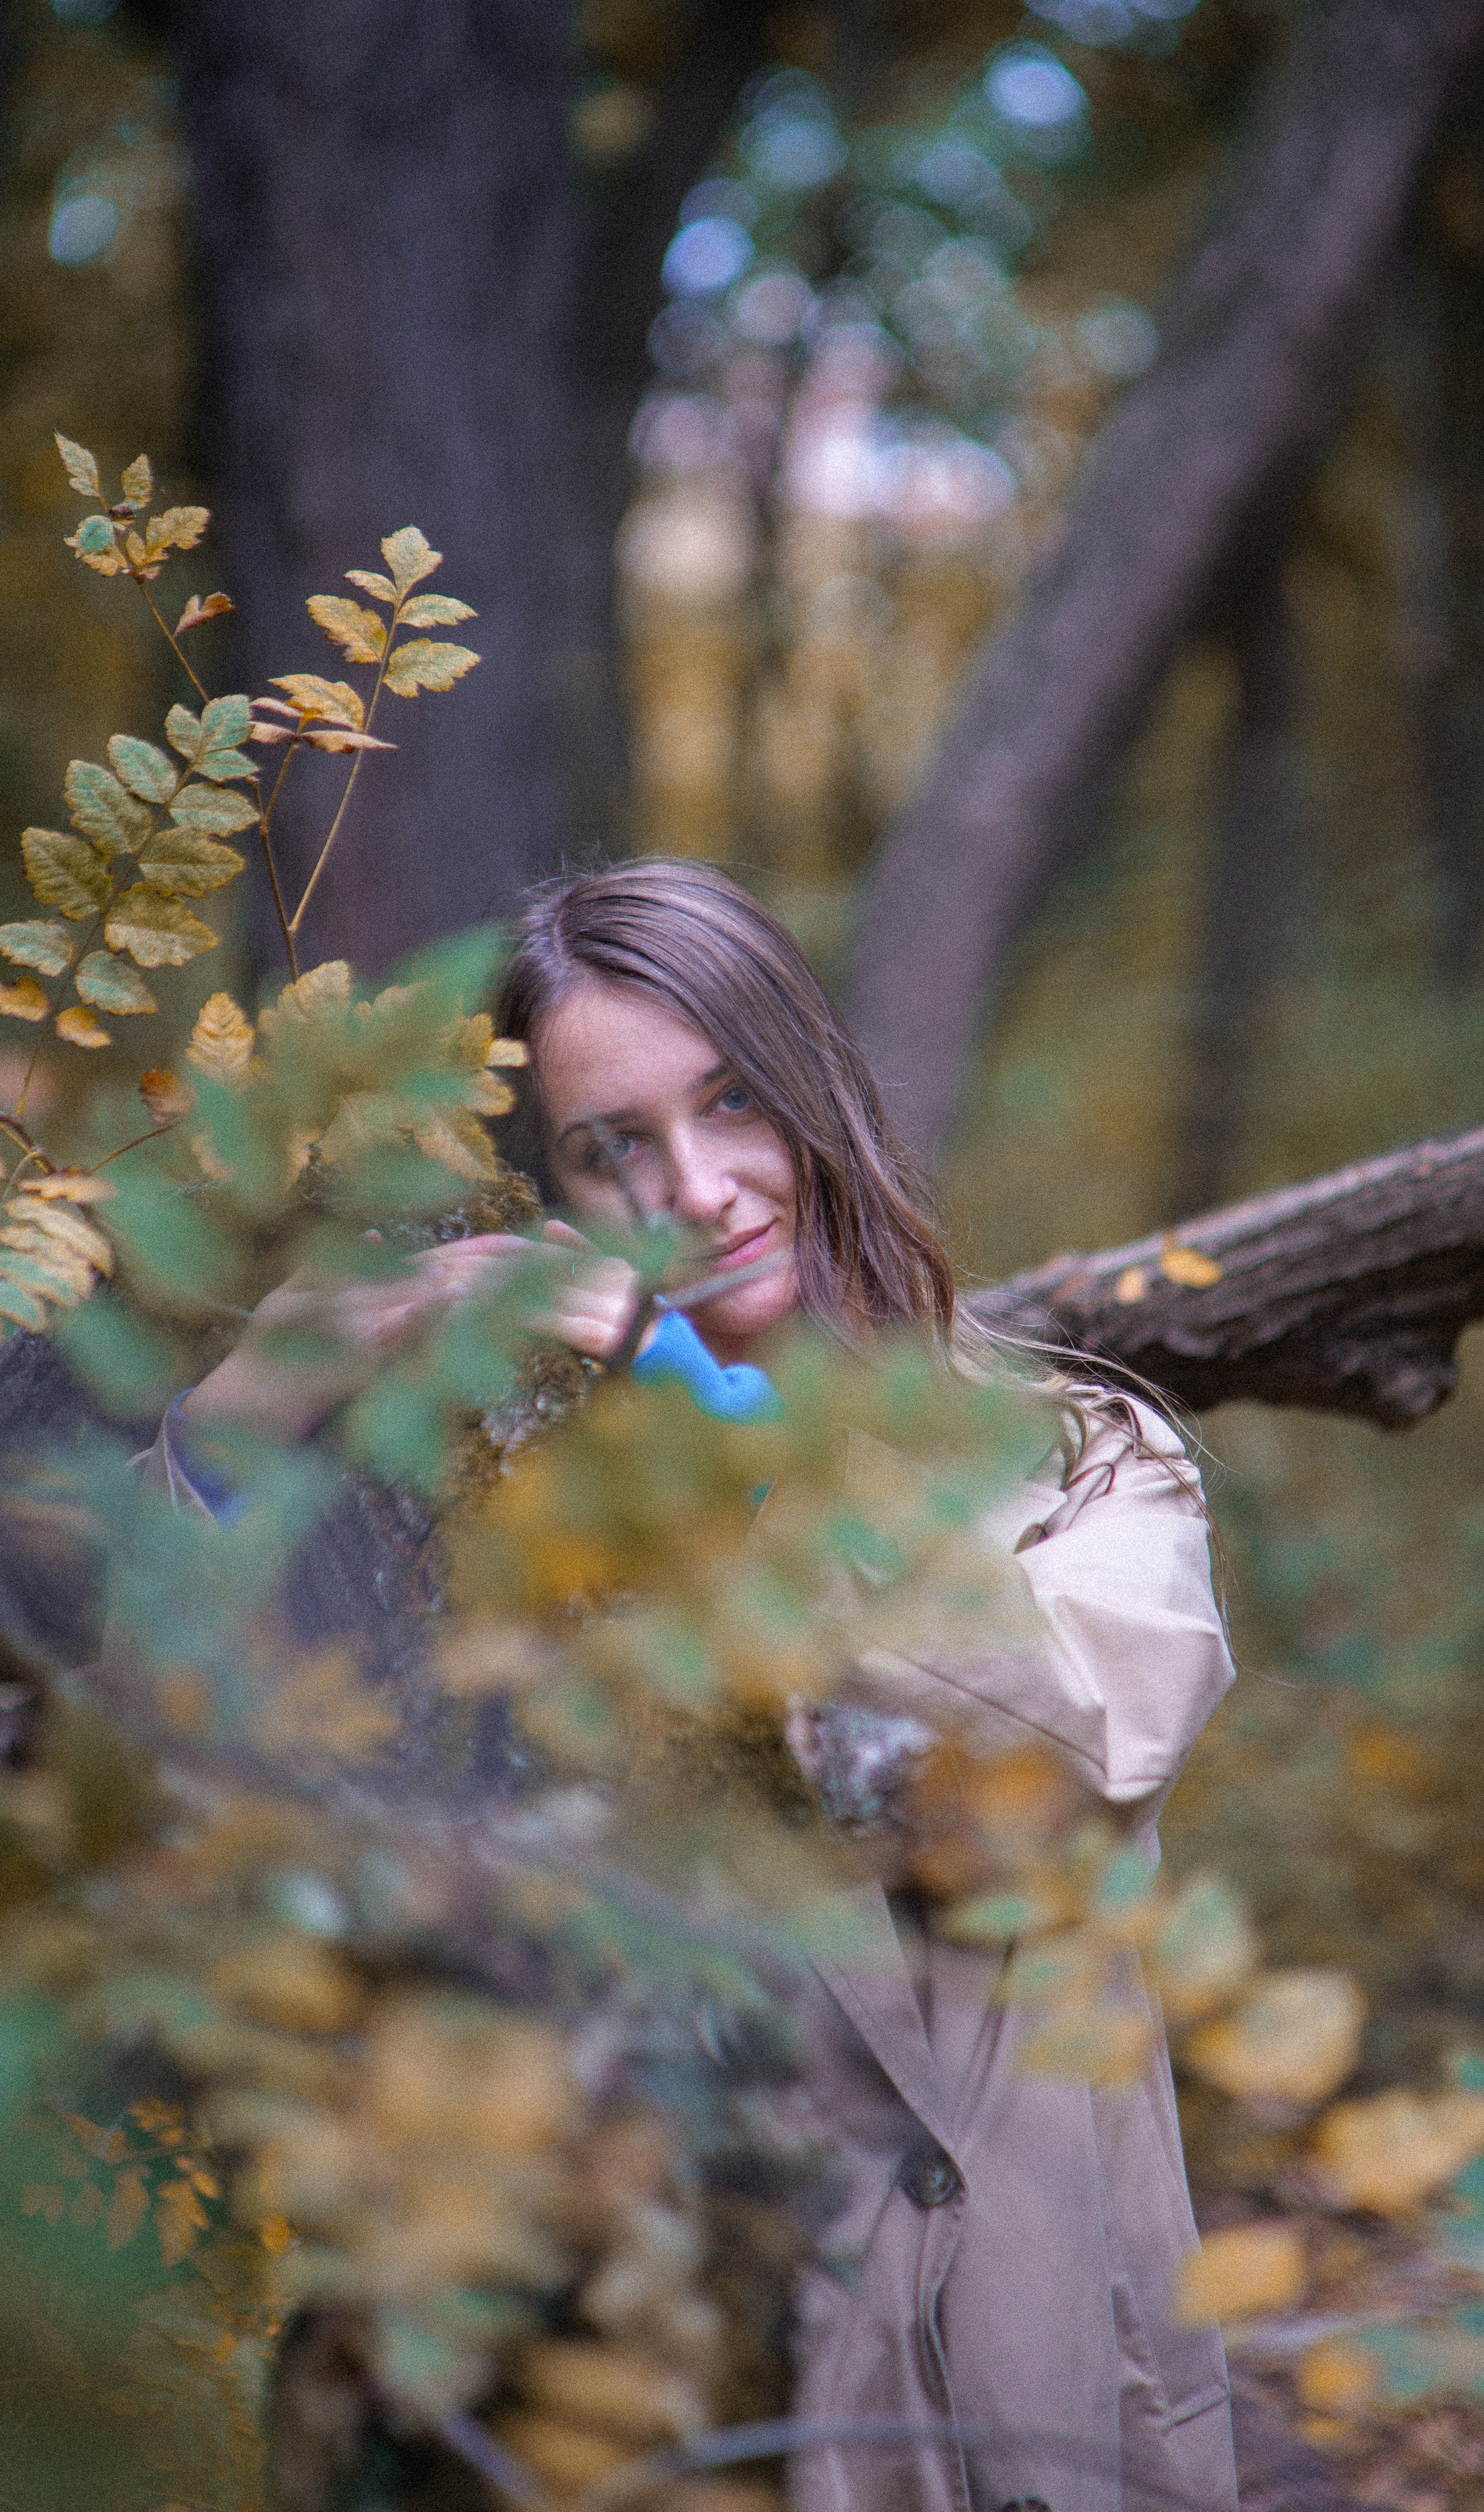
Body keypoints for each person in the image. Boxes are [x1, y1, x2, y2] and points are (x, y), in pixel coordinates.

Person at [160, 859, 1238, 2512]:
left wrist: (727, 1454)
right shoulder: (490, 1528)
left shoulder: (1074, 1457)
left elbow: (1063, 1756)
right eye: (614, 1148)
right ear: (550, 1197)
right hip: (682, 2403)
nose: (700, 1189)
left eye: (733, 1102)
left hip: (1042, 2391)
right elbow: (168, 1781)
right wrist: (238, 1420)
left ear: (816, 1099)